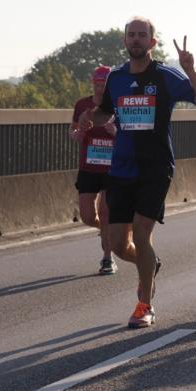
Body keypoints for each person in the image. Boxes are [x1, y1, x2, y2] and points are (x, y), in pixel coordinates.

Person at [79, 18, 196, 328]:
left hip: (155, 168)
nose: (136, 40)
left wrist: (190, 69)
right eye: (131, 35)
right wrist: (92, 118)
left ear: (153, 43)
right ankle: (149, 266)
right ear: (125, 42)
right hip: (121, 168)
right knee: (116, 243)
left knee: (142, 234)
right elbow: (106, 112)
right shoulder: (116, 77)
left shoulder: (166, 76)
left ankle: (145, 305)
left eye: (142, 35)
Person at [71, 65, 117, 275]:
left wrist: (116, 132)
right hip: (88, 166)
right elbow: (73, 129)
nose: (100, 88)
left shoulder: (118, 104)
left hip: (113, 167)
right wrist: (76, 135)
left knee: (106, 213)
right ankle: (106, 232)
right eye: (97, 84)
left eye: (104, 84)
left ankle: (108, 258)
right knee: (88, 216)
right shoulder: (82, 105)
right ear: (93, 83)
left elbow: (133, 134)